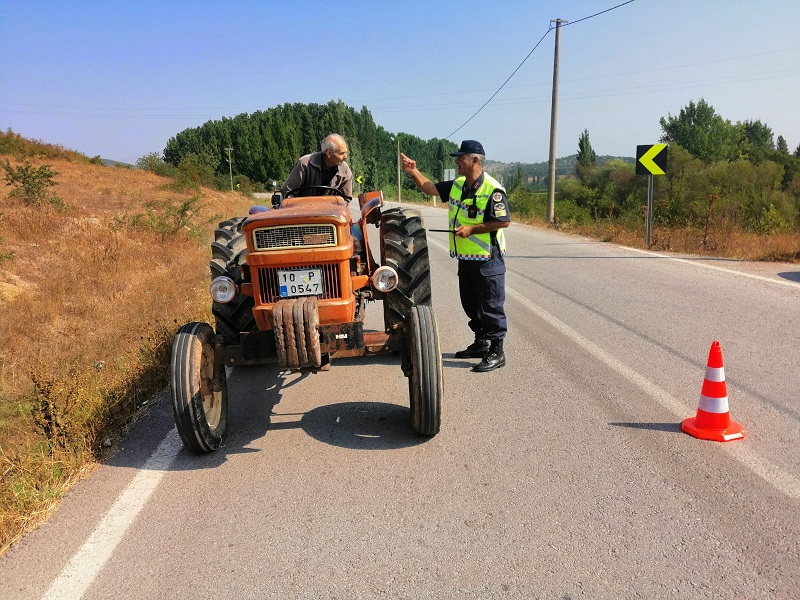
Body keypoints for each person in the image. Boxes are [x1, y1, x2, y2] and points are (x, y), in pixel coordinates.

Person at [401, 139, 510, 372]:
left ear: (475, 160)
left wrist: (472, 229)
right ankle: (481, 343)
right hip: (467, 258)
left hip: (488, 258)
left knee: (490, 305)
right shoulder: (459, 184)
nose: (457, 161)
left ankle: (497, 351)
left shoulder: (492, 189)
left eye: (461, 157)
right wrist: (413, 171)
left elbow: (503, 221)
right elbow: (429, 188)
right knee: (471, 304)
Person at [281, 133, 353, 199]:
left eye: (346, 152)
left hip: (329, 212)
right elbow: (287, 192)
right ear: (329, 153)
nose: (345, 157)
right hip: (302, 210)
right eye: (341, 153)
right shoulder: (305, 164)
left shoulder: (345, 170)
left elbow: (346, 199)